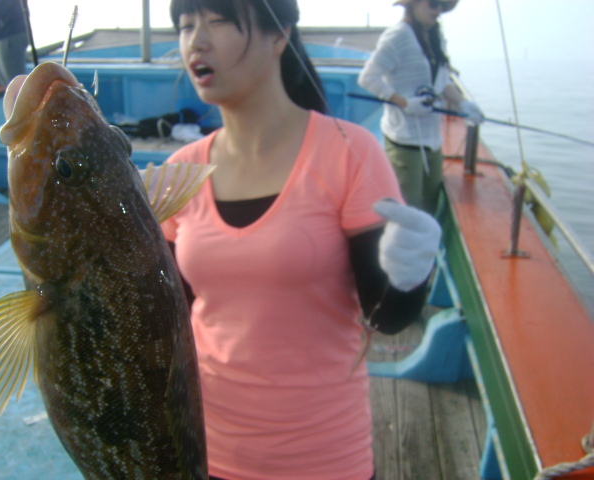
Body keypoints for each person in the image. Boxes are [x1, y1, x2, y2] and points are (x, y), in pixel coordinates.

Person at [163, 0, 441, 478]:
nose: (197, 42)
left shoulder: (350, 151)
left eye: (219, 21)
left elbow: (386, 315)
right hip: (206, 452)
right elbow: (169, 319)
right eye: (186, 26)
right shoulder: (179, 172)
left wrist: (412, 276)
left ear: (279, 34)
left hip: (325, 456)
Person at [358, 0, 484, 215]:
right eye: (433, 3)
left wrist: (463, 103)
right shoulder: (398, 36)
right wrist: (405, 102)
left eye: (443, 5)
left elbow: (443, 82)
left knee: (430, 205)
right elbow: (368, 78)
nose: (439, 10)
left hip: (433, 142)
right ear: (413, 4)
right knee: (409, 210)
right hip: (405, 143)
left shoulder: (436, 37)